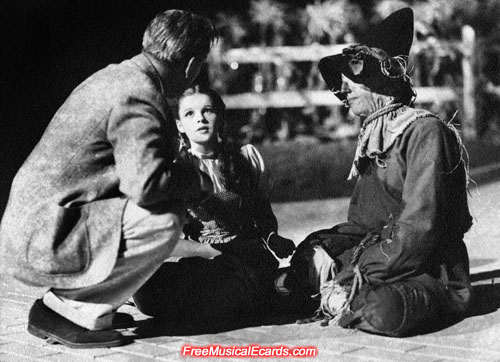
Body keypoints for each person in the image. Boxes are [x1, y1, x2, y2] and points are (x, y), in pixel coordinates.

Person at [0, 10, 216, 348]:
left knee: (149, 210)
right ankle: (67, 310)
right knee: (164, 218)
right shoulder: (140, 95)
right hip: (43, 236)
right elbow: (145, 187)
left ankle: (85, 303)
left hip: (34, 224)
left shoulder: (119, 76)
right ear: (191, 65)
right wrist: (194, 181)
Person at [281, 8, 473, 337]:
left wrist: (355, 271)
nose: (341, 92)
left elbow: (420, 230)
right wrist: (322, 250)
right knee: (307, 263)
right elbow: (362, 224)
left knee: (384, 310)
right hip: (381, 261)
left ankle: (343, 296)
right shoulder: (375, 136)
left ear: (376, 79)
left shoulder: (426, 132)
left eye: (349, 82)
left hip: (426, 270)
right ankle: (335, 293)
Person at [132, 85, 296, 330]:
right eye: (189, 114)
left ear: (220, 116)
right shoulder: (173, 171)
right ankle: (254, 296)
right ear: (179, 125)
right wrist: (205, 251)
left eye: (207, 110)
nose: (200, 118)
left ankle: (246, 296)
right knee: (147, 290)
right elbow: (163, 238)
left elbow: (262, 216)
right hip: (201, 259)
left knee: (231, 281)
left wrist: (273, 238)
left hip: (242, 257)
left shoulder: (245, 159)